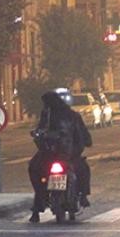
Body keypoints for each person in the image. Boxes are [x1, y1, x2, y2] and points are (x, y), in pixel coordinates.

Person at [28, 90, 92, 223]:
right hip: (59, 154)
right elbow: (40, 131)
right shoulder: (56, 115)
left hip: (60, 154)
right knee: (35, 169)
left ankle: (38, 208)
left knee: (82, 170)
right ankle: (83, 196)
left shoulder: (66, 116)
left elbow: (82, 135)